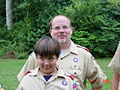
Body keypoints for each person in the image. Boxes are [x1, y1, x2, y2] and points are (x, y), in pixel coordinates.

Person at [17, 15, 106, 90]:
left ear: (71, 30)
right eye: (57, 28)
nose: (61, 31)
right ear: (51, 31)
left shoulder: (84, 55)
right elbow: (24, 81)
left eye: (65, 27)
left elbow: (98, 82)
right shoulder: (36, 56)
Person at [17, 37, 83, 90]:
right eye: (42, 58)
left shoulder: (69, 81)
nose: (46, 63)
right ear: (36, 57)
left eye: (50, 58)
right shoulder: (27, 79)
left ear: (57, 57)